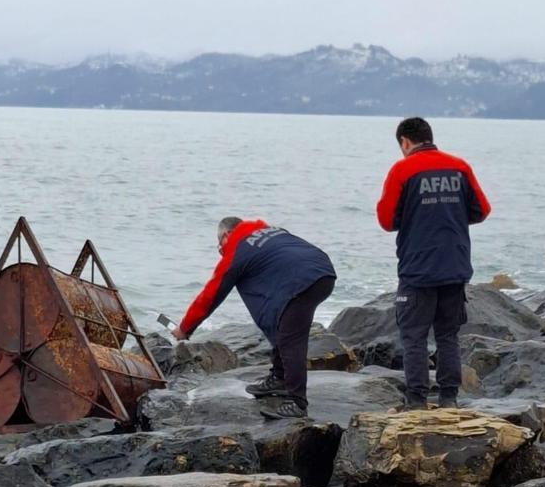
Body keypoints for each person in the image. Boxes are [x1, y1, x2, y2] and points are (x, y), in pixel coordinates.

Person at [376, 117, 491, 409]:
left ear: (405, 142)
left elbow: (387, 220)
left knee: (414, 336)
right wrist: (448, 213)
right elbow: (481, 210)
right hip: (454, 266)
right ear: (429, 136)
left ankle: (416, 401)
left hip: (417, 270)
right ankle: (449, 398)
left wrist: (417, 216)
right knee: (448, 335)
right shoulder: (459, 166)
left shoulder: (402, 170)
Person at [172, 217, 336, 418]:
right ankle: (280, 377)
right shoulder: (272, 231)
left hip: (303, 280)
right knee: (281, 321)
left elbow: (211, 295)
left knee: (290, 339)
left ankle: (297, 402)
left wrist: (185, 328)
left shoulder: (237, 249)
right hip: (322, 270)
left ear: (226, 235)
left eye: (219, 244)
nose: (221, 250)